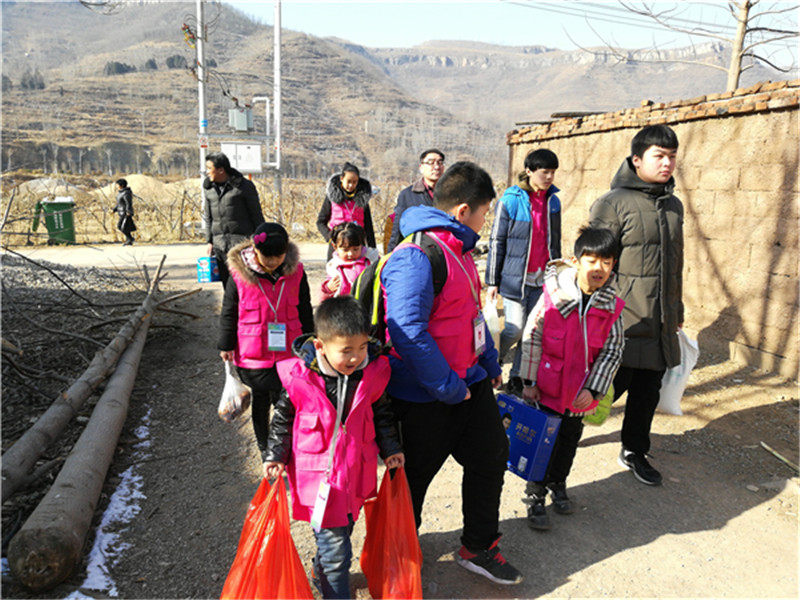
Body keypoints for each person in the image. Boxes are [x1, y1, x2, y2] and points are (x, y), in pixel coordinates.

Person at [381, 161, 523, 585]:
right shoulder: (416, 256)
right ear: (463, 211)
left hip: (469, 383)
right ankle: (396, 556)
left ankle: (478, 546)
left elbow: (470, 318)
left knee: (490, 456)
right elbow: (406, 331)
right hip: (425, 395)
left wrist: (489, 363)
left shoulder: (459, 252)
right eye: (484, 212)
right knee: (413, 482)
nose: (486, 220)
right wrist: (446, 386)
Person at [263, 296, 404, 599]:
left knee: (344, 532)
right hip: (319, 482)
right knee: (338, 552)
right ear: (320, 346)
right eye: (347, 351)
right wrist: (275, 454)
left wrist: (391, 448)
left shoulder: (372, 374)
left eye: (363, 347)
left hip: (356, 475)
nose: (356, 358)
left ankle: (319, 569)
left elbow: (382, 414)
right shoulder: (300, 379)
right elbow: (282, 420)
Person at [588, 124, 684, 486]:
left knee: (648, 393)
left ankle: (634, 450)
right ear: (637, 159)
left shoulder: (674, 205)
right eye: (660, 156)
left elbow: (676, 262)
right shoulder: (612, 203)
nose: (667, 163)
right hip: (622, 320)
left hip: (659, 319)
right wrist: (596, 313)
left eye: (672, 156)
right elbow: (595, 263)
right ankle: (562, 442)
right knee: (603, 390)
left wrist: (676, 310)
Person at [519, 226, 625, 530]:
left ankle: (558, 483)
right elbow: (532, 336)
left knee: (567, 442)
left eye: (607, 262)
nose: (599, 269)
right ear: (576, 261)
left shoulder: (613, 308)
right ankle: (534, 495)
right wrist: (529, 382)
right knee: (543, 444)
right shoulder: (553, 297)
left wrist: (594, 390)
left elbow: (613, 351)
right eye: (592, 261)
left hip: (580, 394)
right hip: (547, 390)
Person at [217, 222, 314, 473]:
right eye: (266, 257)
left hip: (289, 350)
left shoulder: (297, 271)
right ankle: (265, 449)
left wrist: (311, 338)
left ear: (286, 252)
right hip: (254, 351)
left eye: (278, 257)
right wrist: (226, 343)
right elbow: (229, 310)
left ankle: (284, 449)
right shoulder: (238, 274)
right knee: (261, 400)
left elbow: (304, 306)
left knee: (286, 401)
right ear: (254, 250)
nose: (272, 263)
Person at [485, 148, 562, 397]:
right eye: (544, 172)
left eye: (552, 172)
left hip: (541, 280)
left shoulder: (553, 201)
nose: (549, 177)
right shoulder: (511, 200)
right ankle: (490, 359)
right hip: (514, 279)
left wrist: (557, 275)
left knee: (531, 333)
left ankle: (516, 378)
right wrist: (492, 280)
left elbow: (555, 242)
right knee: (514, 329)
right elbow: (497, 240)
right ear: (529, 171)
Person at [204, 151, 265, 287]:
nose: (206, 172)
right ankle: (231, 309)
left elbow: (257, 215)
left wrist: (259, 241)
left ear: (220, 170)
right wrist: (209, 241)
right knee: (227, 285)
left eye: (209, 168)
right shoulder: (209, 189)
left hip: (241, 245)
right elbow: (208, 218)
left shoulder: (244, 187)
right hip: (220, 245)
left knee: (245, 284)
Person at [386, 148, 445, 251]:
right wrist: (390, 255)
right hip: (419, 251)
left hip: (445, 251)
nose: (436, 167)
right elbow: (397, 229)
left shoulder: (451, 194)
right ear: (421, 167)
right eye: (431, 163)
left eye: (439, 163)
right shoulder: (408, 195)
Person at [316, 162, 376, 260]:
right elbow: (320, 222)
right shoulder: (332, 198)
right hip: (337, 245)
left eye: (355, 182)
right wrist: (330, 237)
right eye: (348, 181)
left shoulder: (363, 199)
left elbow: (368, 227)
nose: (351, 185)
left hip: (358, 247)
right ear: (341, 179)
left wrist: (373, 249)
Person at [320, 222, 380, 300]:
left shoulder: (371, 261)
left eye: (356, 249)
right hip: (344, 308)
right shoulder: (335, 267)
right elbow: (327, 292)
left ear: (361, 245)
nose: (351, 254)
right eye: (345, 250)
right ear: (335, 247)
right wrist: (328, 288)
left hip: (367, 306)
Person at [114, 178, 136, 246]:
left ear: (122, 185)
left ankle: (130, 238)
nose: (116, 186)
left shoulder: (126, 193)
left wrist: (128, 211)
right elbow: (119, 203)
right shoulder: (120, 193)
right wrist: (114, 209)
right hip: (121, 212)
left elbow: (128, 203)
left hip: (125, 213)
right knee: (126, 227)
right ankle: (129, 240)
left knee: (120, 226)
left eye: (117, 185)